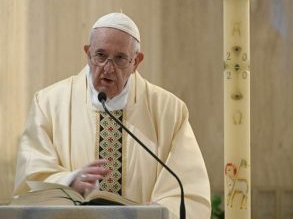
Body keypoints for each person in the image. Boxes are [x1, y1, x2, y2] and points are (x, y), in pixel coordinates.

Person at [13, 12, 211, 219]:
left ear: (136, 62)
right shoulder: (48, 103)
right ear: (88, 53)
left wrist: (160, 211)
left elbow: (188, 188)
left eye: (120, 59)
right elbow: (31, 173)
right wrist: (69, 181)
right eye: (100, 56)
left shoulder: (169, 111)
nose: (108, 68)